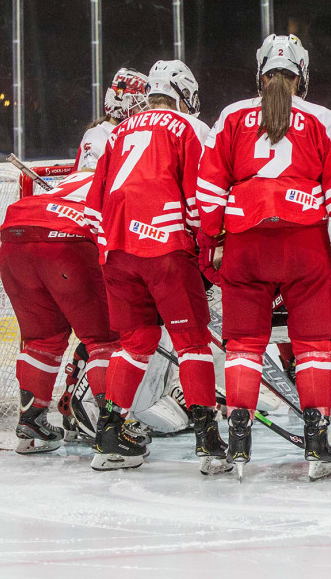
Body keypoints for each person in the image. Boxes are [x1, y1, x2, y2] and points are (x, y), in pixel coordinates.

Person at [195, 34, 331, 481]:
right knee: (312, 346)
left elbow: (208, 188)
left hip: (245, 243)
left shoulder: (231, 116)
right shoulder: (324, 118)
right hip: (305, 244)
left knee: (244, 344)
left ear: (261, 72)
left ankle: (238, 439)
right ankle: (316, 443)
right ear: (301, 74)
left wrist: (211, 239)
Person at [83, 59, 222, 473]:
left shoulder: (119, 131)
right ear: (184, 95)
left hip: (116, 252)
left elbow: (93, 208)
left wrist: (114, 246)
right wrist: (205, 245)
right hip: (166, 249)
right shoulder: (191, 127)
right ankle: (208, 442)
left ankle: (108, 437)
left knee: (135, 343)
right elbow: (200, 200)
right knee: (192, 343)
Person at [0, 170, 120, 454]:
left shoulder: (76, 176)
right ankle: (111, 429)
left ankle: (31, 423)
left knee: (42, 340)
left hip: (15, 233)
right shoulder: (120, 176)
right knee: (104, 339)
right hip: (68, 237)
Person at [75, 68, 149, 171]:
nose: (145, 110)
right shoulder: (97, 135)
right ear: (120, 101)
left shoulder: (131, 134)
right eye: (142, 104)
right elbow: (89, 174)